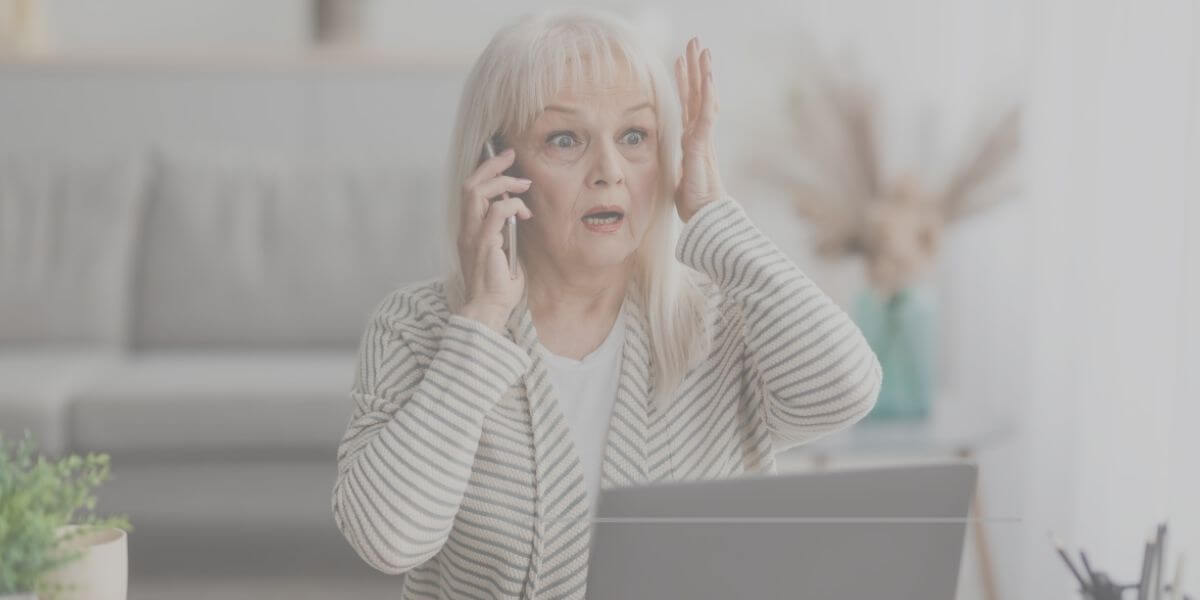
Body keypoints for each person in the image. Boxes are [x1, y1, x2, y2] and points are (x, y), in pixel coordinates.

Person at [331, 7, 882, 599]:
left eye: (635, 137)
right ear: (497, 168)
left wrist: (713, 215)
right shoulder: (417, 329)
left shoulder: (719, 321)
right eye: (564, 139)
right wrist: (482, 322)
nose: (609, 171)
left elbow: (844, 391)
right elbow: (388, 540)